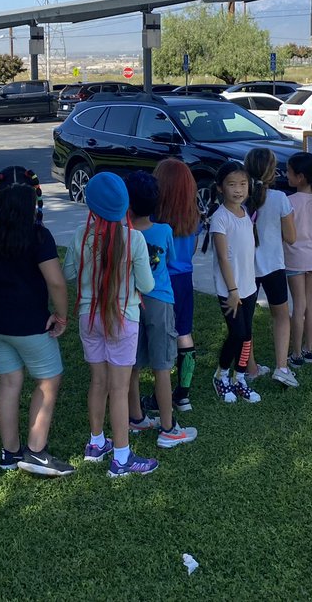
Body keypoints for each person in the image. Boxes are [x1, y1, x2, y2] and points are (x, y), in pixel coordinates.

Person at [0, 167, 72, 477]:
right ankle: (37, 451)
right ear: (33, 203)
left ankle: (10, 451)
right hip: (30, 322)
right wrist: (62, 315)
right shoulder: (38, 235)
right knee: (48, 380)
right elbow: (55, 281)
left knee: (9, 382)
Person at [64, 173, 157, 477]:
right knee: (119, 389)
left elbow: (69, 273)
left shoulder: (81, 234)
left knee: (98, 382)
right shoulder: (135, 239)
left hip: (88, 318)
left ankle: (96, 443)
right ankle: (121, 458)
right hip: (123, 319)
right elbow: (147, 283)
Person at [124, 171, 196, 447]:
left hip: (131, 300)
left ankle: (137, 417)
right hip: (160, 300)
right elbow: (171, 260)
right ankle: (168, 427)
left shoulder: (124, 232)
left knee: (131, 361)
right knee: (162, 365)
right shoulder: (165, 230)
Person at [206, 161, 262, 404]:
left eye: (242, 184)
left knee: (247, 335)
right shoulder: (220, 219)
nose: (238, 189)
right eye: (231, 184)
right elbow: (223, 258)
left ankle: (240, 378)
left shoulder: (245, 212)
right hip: (231, 290)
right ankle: (221, 375)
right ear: (220, 188)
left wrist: (247, 286)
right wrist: (232, 290)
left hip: (249, 286)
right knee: (237, 334)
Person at [244, 149, 299, 387]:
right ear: (272, 170)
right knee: (281, 316)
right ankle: (282, 366)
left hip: (245, 267)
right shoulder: (279, 198)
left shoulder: (238, 195)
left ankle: (251, 367)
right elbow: (291, 237)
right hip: (274, 266)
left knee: (245, 319)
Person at [152, 159, 201, 412]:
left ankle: (157, 392)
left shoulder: (154, 217)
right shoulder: (194, 216)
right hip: (185, 279)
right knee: (184, 331)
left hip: (160, 280)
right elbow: (191, 251)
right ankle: (183, 394)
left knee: (159, 335)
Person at [283, 153, 312, 365]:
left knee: (298, 304)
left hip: (294, 257)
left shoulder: (289, 201)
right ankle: (309, 349)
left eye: (289, 171)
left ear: (300, 176)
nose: (286, 175)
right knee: (309, 302)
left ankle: (296, 354)